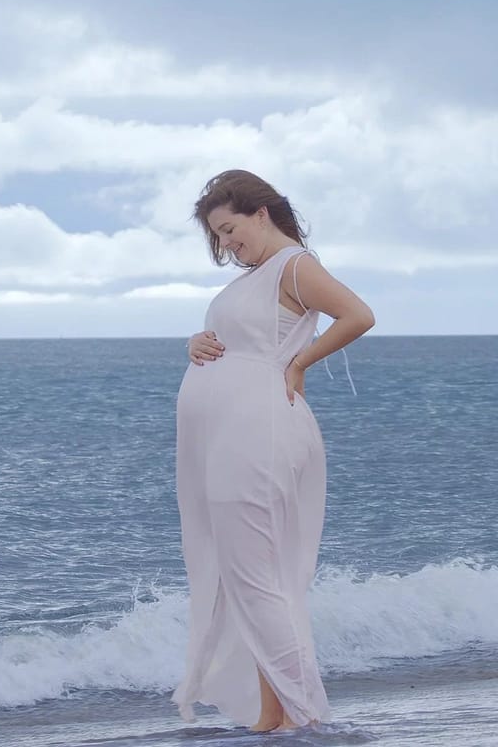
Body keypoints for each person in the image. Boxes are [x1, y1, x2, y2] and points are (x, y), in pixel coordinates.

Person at [172, 170, 374, 733]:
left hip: (256, 432)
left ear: (261, 213)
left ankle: (310, 722)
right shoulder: (260, 276)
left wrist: (299, 361)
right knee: (254, 580)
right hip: (235, 434)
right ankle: (272, 715)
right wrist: (197, 342)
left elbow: (359, 314)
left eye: (230, 230)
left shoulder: (294, 266)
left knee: (256, 580)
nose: (227, 245)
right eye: (218, 238)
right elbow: (241, 338)